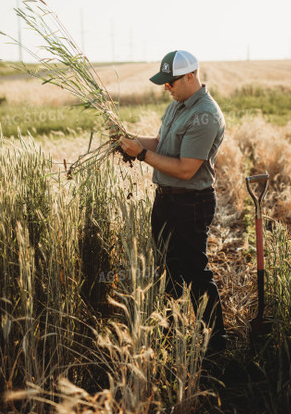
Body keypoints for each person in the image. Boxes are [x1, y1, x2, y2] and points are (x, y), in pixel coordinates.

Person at [120, 50, 227, 359]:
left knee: (195, 272)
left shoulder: (205, 115)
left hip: (191, 203)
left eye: (170, 83)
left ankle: (216, 345)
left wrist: (140, 155)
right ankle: (171, 337)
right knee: (167, 271)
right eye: (164, 83)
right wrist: (130, 140)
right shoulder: (177, 106)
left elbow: (185, 169)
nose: (166, 88)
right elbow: (161, 145)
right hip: (166, 200)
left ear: (190, 77)